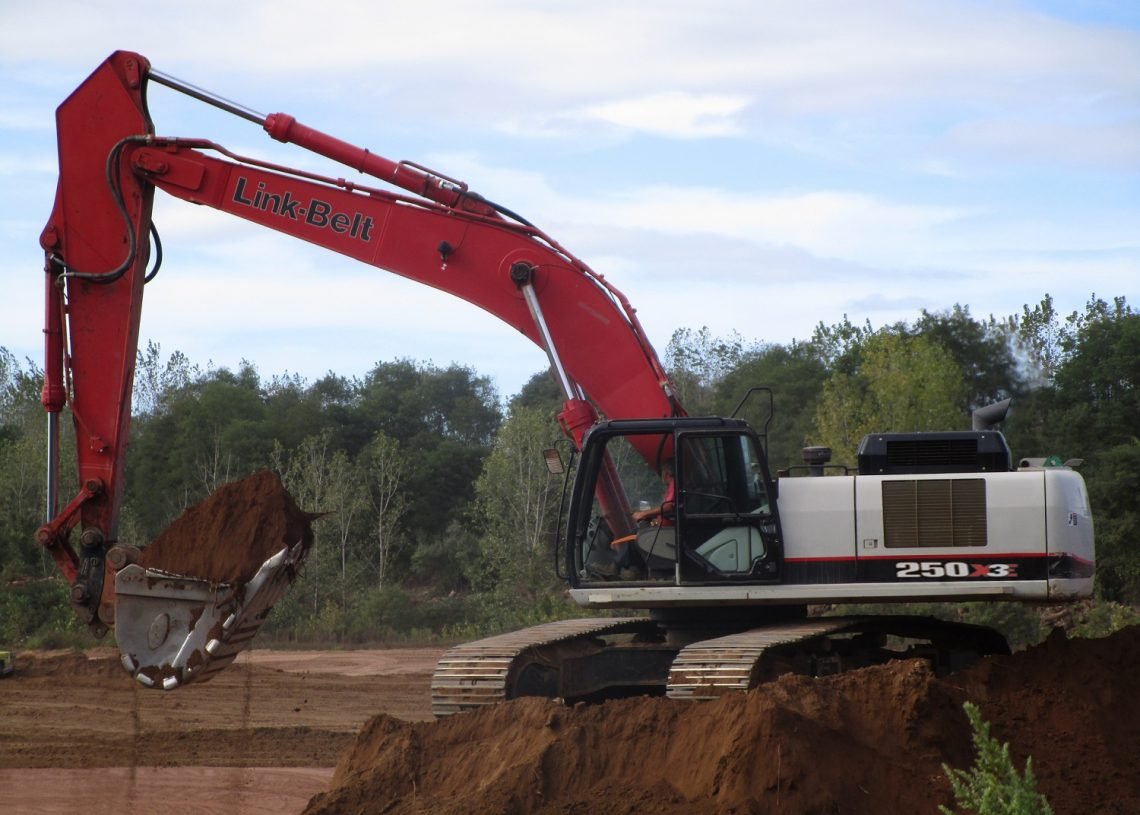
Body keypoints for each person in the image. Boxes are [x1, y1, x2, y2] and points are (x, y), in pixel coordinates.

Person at [632, 458, 675, 527]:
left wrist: (643, 514)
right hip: (663, 527)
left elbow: (668, 507)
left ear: (666, 472)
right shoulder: (671, 486)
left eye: (662, 471)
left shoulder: (674, 484)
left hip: (666, 529)